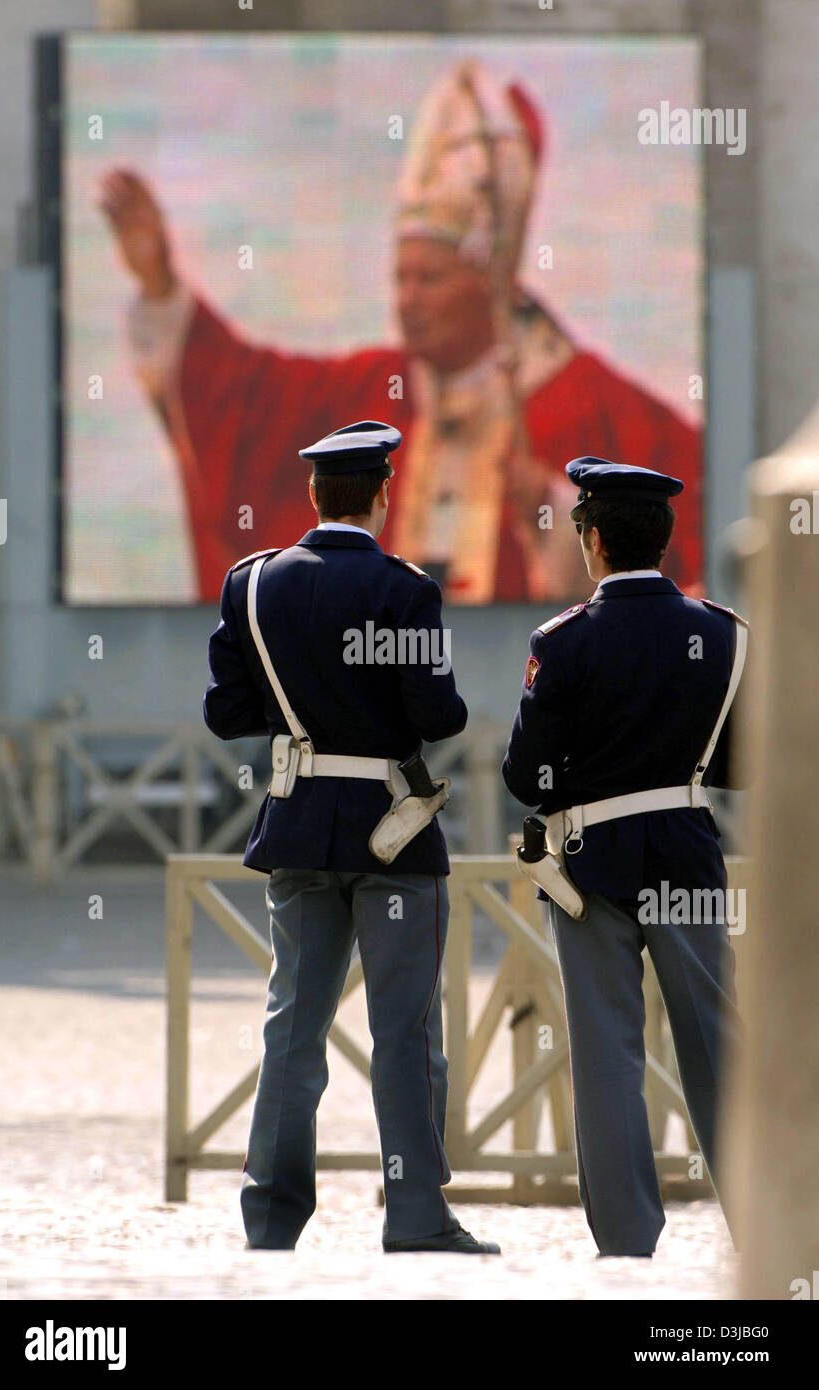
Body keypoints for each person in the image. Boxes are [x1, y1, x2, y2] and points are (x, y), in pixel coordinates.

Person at [101, 60, 702, 604]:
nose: (407, 300)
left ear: (489, 285)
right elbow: (242, 398)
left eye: (430, 280)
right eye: (399, 278)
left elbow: (681, 557)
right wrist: (160, 287)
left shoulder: (591, 406)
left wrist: (552, 509)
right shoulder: (372, 390)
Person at [203, 419, 499, 1254]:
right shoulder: (406, 590)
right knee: (405, 1033)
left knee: (292, 1026)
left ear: (311, 495)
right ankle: (414, 1216)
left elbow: (225, 711)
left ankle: (272, 1217)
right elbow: (438, 717)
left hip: (298, 824)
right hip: (391, 835)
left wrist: (305, 716)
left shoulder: (253, 582)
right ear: (382, 494)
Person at [502, 457, 746, 1258]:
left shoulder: (563, 641)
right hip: (685, 852)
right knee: (715, 1044)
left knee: (607, 1055)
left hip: (592, 859)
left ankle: (628, 1243)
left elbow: (526, 776)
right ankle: (765, 1223)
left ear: (594, 538)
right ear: (665, 541)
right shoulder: (721, 633)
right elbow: (738, 765)